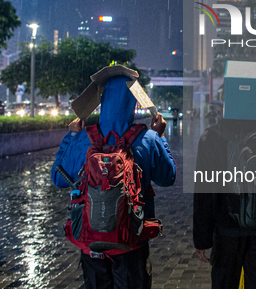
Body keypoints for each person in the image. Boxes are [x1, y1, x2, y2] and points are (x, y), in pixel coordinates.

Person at [52, 74, 176, 289]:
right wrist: (160, 137)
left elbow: (58, 178)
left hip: (91, 244)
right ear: (134, 101)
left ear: (102, 100)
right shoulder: (148, 138)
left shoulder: (83, 138)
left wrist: (71, 137)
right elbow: (168, 178)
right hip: (131, 244)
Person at [193, 61, 256, 289]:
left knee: (225, 282)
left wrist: (202, 239)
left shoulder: (211, 138)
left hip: (227, 230)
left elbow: (204, 193)